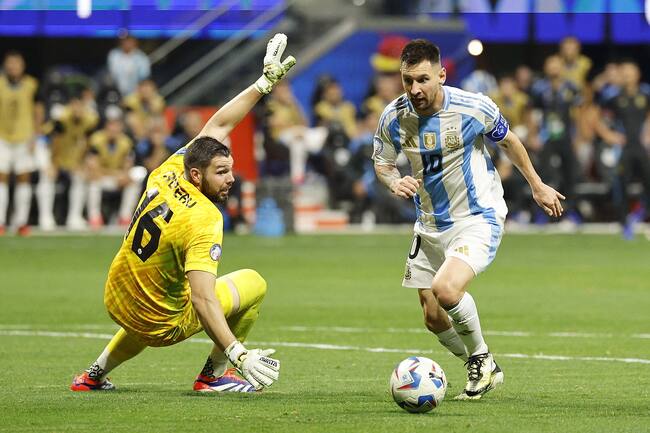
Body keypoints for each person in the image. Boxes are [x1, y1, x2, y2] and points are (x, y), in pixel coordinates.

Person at [70, 33, 295, 393]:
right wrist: (239, 353)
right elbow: (203, 299)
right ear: (198, 175)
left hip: (115, 296)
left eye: (231, 170)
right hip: (161, 324)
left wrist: (262, 84)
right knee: (254, 283)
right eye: (221, 172)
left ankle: (93, 374)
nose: (230, 179)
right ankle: (213, 375)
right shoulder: (205, 219)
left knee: (155, 289)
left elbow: (219, 126)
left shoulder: (169, 169)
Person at [373, 39, 564, 400]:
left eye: (423, 79)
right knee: (432, 316)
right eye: (408, 80)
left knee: (446, 290)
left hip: (477, 216)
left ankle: (480, 359)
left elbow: (509, 141)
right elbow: (382, 162)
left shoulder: (473, 108)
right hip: (428, 224)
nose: (415, 89)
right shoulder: (394, 116)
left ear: (442, 75)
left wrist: (537, 185)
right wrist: (394, 180)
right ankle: (483, 365)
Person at [601, 60, 650, 239]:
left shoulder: (645, 93)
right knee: (621, 185)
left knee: (648, 182)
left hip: (642, 147)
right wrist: (609, 135)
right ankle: (624, 223)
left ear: (637, 74)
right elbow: (596, 116)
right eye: (625, 72)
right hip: (623, 148)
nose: (627, 75)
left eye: (631, 72)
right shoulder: (613, 96)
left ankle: (642, 214)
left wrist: (647, 132)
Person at [0, 50, 43, 235]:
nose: (13, 67)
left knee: (23, 178)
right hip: (2, 135)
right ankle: (1, 221)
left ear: (22, 65)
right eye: (10, 63)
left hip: (25, 136)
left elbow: (38, 109)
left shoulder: (32, 84)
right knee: (1, 177)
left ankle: (21, 222)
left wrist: (36, 134)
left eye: (16, 63)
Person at [107, 33, 151, 97]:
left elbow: (145, 76)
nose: (126, 43)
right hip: (117, 91)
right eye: (124, 41)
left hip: (136, 93)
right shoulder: (114, 55)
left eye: (128, 41)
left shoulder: (141, 57)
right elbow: (112, 74)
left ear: (134, 42)